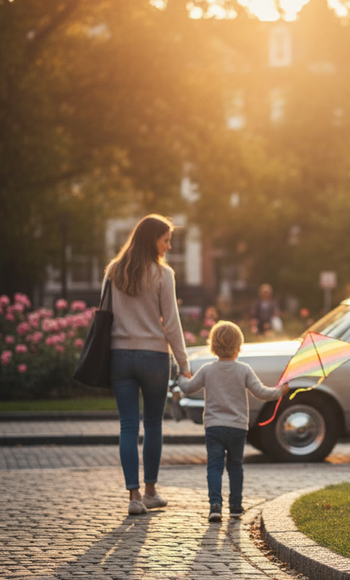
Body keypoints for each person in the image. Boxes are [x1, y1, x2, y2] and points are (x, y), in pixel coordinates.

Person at [105, 214, 191, 516]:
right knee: (153, 424)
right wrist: (184, 363)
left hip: (119, 356)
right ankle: (151, 491)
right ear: (151, 238)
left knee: (128, 425)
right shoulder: (162, 274)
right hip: (153, 356)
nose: (168, 246)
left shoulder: (114, 271)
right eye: (165, 239)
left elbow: (106, 316)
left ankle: (133, 496)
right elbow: (171, 323)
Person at [178, 320, 290, 522]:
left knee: (214, 466)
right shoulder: (244, 370)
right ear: (239, 347)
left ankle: (215, 505)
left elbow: (188, 388)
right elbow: (261, 393)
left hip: (213, 426)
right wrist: (279, 391)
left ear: (213, 346)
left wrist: (181, 377)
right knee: (235, 466)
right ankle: (236, 506)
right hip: (237, 427)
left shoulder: (207, 370)